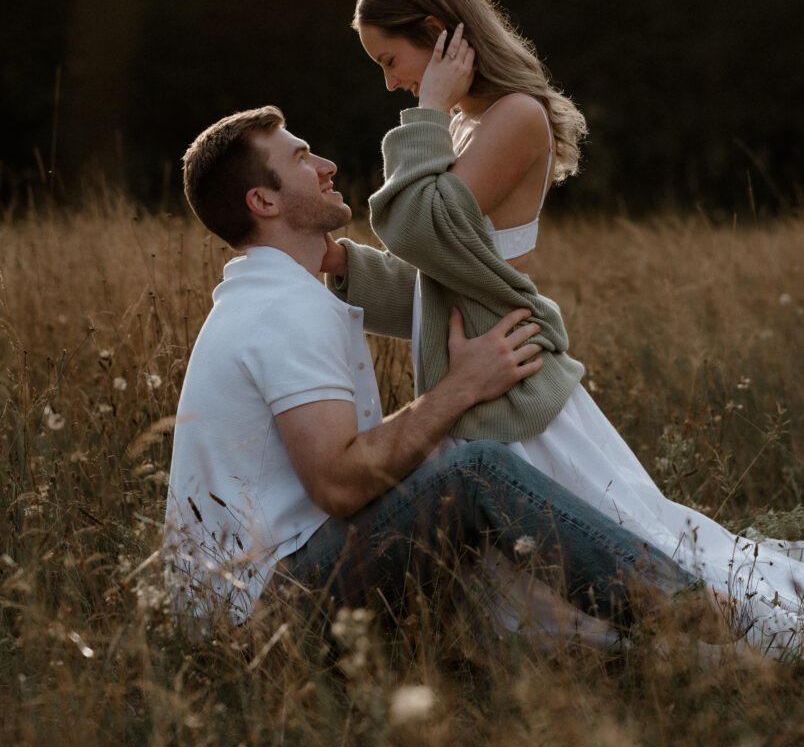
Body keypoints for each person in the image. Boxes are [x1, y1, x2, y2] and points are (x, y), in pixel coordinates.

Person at [323, 0, 803, 660]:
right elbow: (436, 280)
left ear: (439, 32)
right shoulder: (464, 126)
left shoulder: (515, 117)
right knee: (549, 585)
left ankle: (749, 636)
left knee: (621, 558)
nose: (390, 81)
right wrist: (339, 270)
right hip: (481, 371)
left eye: (391, 59)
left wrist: (426, 110)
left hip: (512, 393)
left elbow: (417, 226)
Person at [163, 104, 708, 650]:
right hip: (257, 617)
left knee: (445, 465)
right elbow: (340, 484)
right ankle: (685, 616)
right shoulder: (281, 309)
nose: (327, 165)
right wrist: (464, 387)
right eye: (303, 158)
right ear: (264, 201)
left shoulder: (271, 294)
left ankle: (624, 628)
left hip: (266, 590)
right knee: (472, 474)